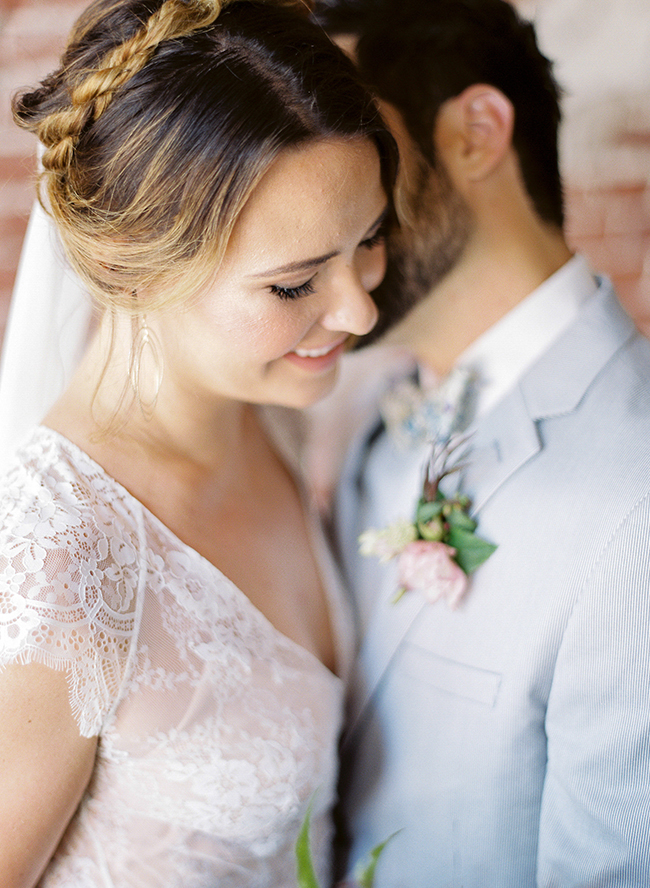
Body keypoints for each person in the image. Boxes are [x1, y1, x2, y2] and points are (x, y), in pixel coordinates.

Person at [0, 0, 398, 884]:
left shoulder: (278, 415)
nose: (360, 310)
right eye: (294, 285)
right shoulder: (56, 565)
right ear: (129, 270)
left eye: (369, 239)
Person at [312, 0, 650, 885]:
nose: (309, 189)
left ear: (475, 134)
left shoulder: (635, 507)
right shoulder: (376, 420)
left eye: (348, 133)